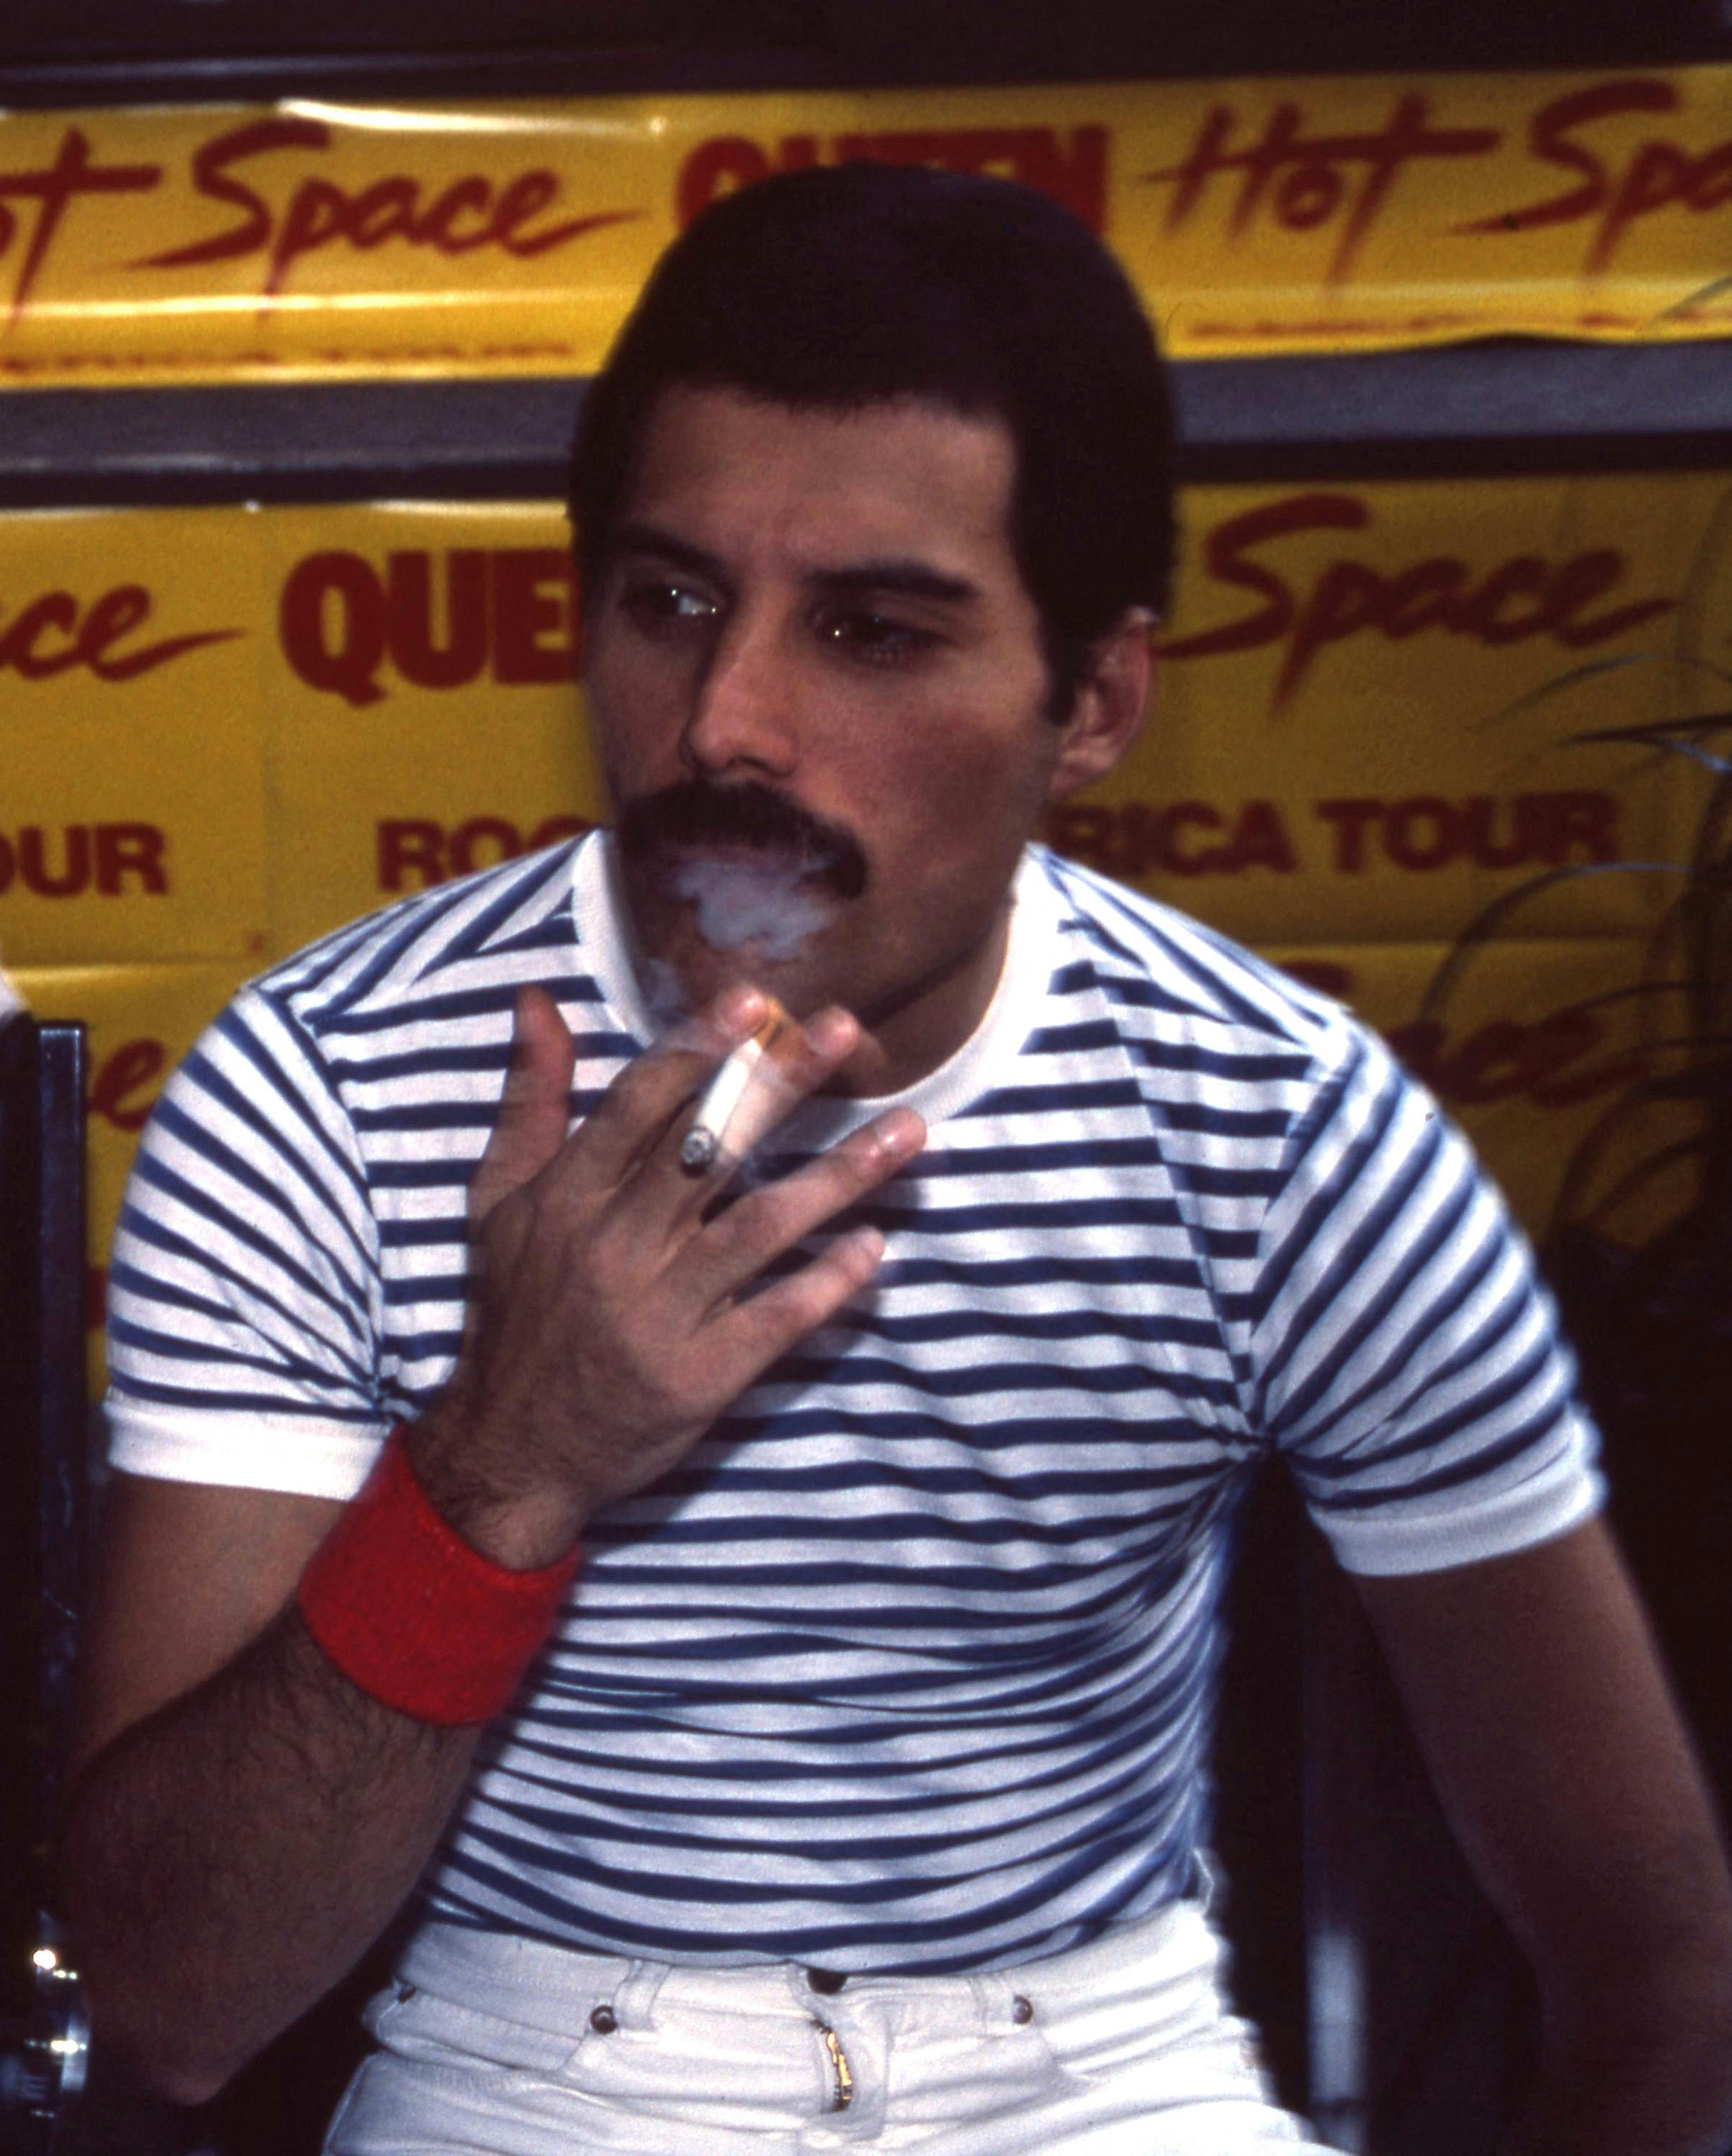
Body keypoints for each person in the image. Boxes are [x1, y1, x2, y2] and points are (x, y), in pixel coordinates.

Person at [67, 163, 1732, 2156]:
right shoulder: (326, 1092)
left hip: (1094, 2063)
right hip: (530, 2061)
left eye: (871, 630)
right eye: (671, 601)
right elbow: (166, 2004)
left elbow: (1651, 1960)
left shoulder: (1277, 1122)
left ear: (1093, 699)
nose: (726, 723)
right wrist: (503, 1461)